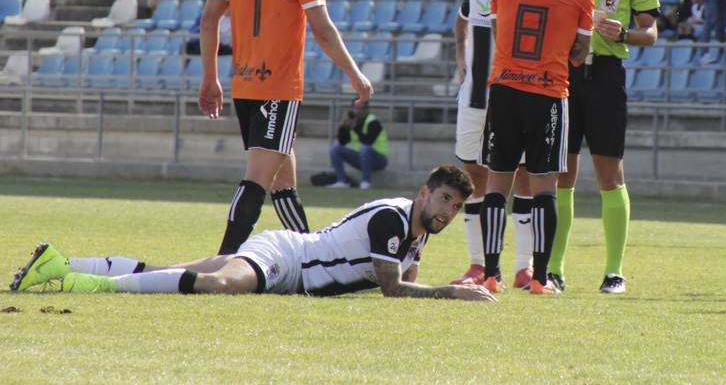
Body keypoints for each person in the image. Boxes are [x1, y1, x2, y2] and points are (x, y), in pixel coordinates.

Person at [513, 0, 661, 295]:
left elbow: (650, 34)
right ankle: (553, 269)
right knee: (563, 175)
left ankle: (613, 272)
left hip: (607, 76)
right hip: (562, 76)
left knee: (610, 175)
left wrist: (622, 35)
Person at [10, 165, 497, 302]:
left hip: (294, 266)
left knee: (176, 271)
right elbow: (393, 288)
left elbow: (407, 277)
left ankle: (63, 265)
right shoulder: (393, 218)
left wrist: (433, 284)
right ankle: (88, 285)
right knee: (218, 285)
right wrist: (454, 293)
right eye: (445, 200)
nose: (450, 212)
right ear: (424, 192)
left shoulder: (417, 228)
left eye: (456, 206)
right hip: (288, 257)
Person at [198, 0, 373, 256]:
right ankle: (223, 260)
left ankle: (312, 254)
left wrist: (210, 77)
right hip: (277, 86)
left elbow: (209, 19)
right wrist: (355, 74)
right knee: (258, 180)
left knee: (282, 179)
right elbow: (323, 29)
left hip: (244, 85)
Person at [479, 0, 594, 296]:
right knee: (545, 187)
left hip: (505, 89)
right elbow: (579, 54)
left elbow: (498, 32)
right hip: (547, 93)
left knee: (498, 182)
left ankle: (491, 274)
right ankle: (541, 280)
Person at [450, 0, 539, 290]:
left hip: (515, 97)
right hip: (474, 98)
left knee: (520, 177)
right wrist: (461, 56)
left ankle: (524, 267)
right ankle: (477, 265)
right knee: (473, 176)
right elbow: (463, 16)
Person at [325, 101, 388, 190]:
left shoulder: (373, 122)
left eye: (362, 109)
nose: (359, 111)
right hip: (361, 159)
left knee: (365, 148)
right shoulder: (353, 122)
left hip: (379, 159)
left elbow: (367, 141)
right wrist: (344, 125)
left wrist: (355, 127)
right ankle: (342, 181)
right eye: (357, 109)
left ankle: (365, 182)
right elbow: (342, 142)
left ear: (367, 110)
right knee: (334, 148)